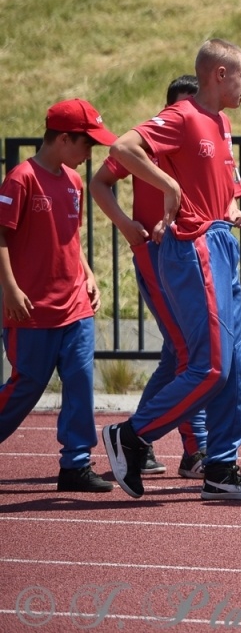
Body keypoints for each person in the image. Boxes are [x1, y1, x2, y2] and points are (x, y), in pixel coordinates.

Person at [101, 39, 241, 501]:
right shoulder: (182, 116)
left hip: (220, 240)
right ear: (219, 74)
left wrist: (230, 209)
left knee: (236, 368)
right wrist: (169, 185)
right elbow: (122, 148)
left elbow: (222, 180)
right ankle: (132, 436)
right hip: (191, 245)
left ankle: (220, 469)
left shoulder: (222, 121)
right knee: (211, 365)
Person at [88, 76, 209, 481]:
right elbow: (100, 182)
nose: (190, 116)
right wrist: (125, 224)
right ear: (168, 110)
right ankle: (194, 450)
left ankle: (142, 439)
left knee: (182, 354)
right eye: (183, 108)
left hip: (196, 255)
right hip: (157, 255)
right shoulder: (149, 141)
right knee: (188, 351)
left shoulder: (208, 134)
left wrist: (230, 211)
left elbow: (227, 190)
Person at [0, 100, 116, 493]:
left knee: (81, 379)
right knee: (27, 384)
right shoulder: (21, 178)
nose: (90, 155)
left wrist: (88, 274)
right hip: (31, 308)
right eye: (87, 145)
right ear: (64, 139)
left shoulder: (75, 181)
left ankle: (76, 464)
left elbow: (71, 238)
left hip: (75, 305)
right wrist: (11, 289)